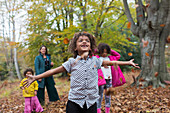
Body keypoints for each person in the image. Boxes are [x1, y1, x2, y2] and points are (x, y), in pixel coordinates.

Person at [24, 32, 139, 113]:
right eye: (81, 41)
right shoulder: (71, 62)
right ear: (75, 47)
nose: (84, 42)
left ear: (90, 47)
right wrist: (36, 77)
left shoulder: (96, 60)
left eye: (87, 41)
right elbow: (54, 70)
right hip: (74, 102)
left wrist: (128, 63)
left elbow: (112, 63)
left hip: (91, 102)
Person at [95, 43, 126, 113]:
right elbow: (91, 54)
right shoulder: (97, 58)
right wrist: (98, 50)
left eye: (106, 52)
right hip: (101, 80)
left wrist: (110, 50)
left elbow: (118, 55)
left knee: (108, 97)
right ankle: (98, 111)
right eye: (103, 52)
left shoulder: (111, 58)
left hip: (109, 80)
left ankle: (107, 111)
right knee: (99, 96)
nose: (104, 54)